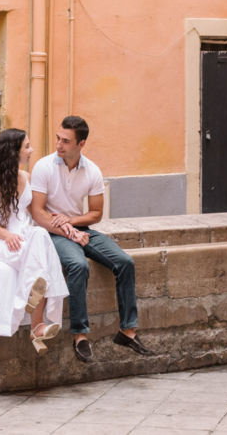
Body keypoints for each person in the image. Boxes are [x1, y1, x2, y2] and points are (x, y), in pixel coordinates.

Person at [30, 115, 155, 363]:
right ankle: (80, 336)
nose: (59, 145)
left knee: (125, 262)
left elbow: (96, 213)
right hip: (52, 233)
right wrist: (68, 230)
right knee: (78, 265)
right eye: (58, 138)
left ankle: (127, 331)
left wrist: (73, 222)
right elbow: (38, 213)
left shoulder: (92, 170)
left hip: (80, 227)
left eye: (66, 141)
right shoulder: (43, 167)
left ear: (81, 144)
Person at [0, 127, 68, 353]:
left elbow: (36, 213)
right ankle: (37, 323)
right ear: (13, 152)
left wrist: (64, 222)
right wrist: (6, 234)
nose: (32, 150)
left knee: (41, 236)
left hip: (23, 238)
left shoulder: (26, 176)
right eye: (27, 146)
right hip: (0, 240)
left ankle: (35, 313)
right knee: (40, 262)